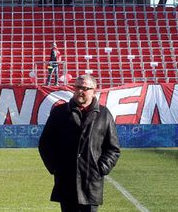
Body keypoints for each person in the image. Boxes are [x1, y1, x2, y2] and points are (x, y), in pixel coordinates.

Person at [38, 75, 121, 212]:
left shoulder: (104, 114)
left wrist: (100, 169)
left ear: (94, 91)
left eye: (84, 88)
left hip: (91, 183)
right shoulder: (60, 112)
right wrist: (55, 167)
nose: (79, 91)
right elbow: (45, 144)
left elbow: (113, 148)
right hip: (66, 181)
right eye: (77, 87)